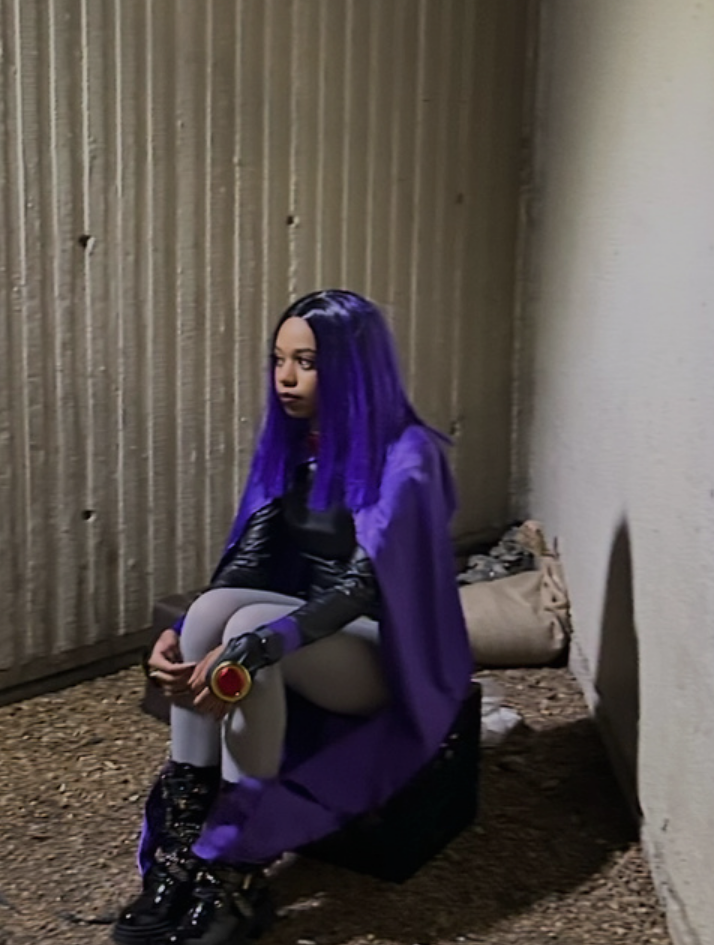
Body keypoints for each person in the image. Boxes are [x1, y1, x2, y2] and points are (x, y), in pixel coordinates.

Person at [116, 290, 476, 945]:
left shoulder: (409, 454)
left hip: (386, 652)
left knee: (245, 625)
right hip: (296, 632)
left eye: (306, 363)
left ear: (352, 368)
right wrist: (181, 634)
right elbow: (251, 557)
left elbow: (363, 587)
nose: (285, 378)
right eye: (278, 360)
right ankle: (184, 848)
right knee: (215, 611)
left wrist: (263, 640)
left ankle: (238, 873)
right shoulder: (294, 443)